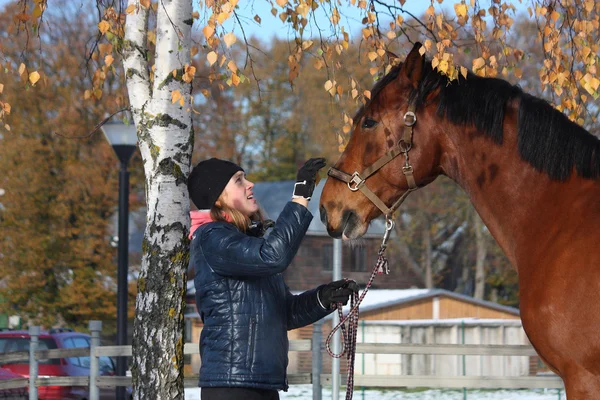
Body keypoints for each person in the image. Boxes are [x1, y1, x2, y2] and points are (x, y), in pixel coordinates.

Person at [187, 157, 358, 400]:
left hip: (263, 384)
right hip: (231, 387)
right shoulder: (212, 237)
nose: (250, 184)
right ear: (217, 198)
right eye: (239, 180)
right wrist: (300, 197)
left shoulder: (247, 242)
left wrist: (323, 298)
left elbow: (283, 313)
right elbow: (273, 256)